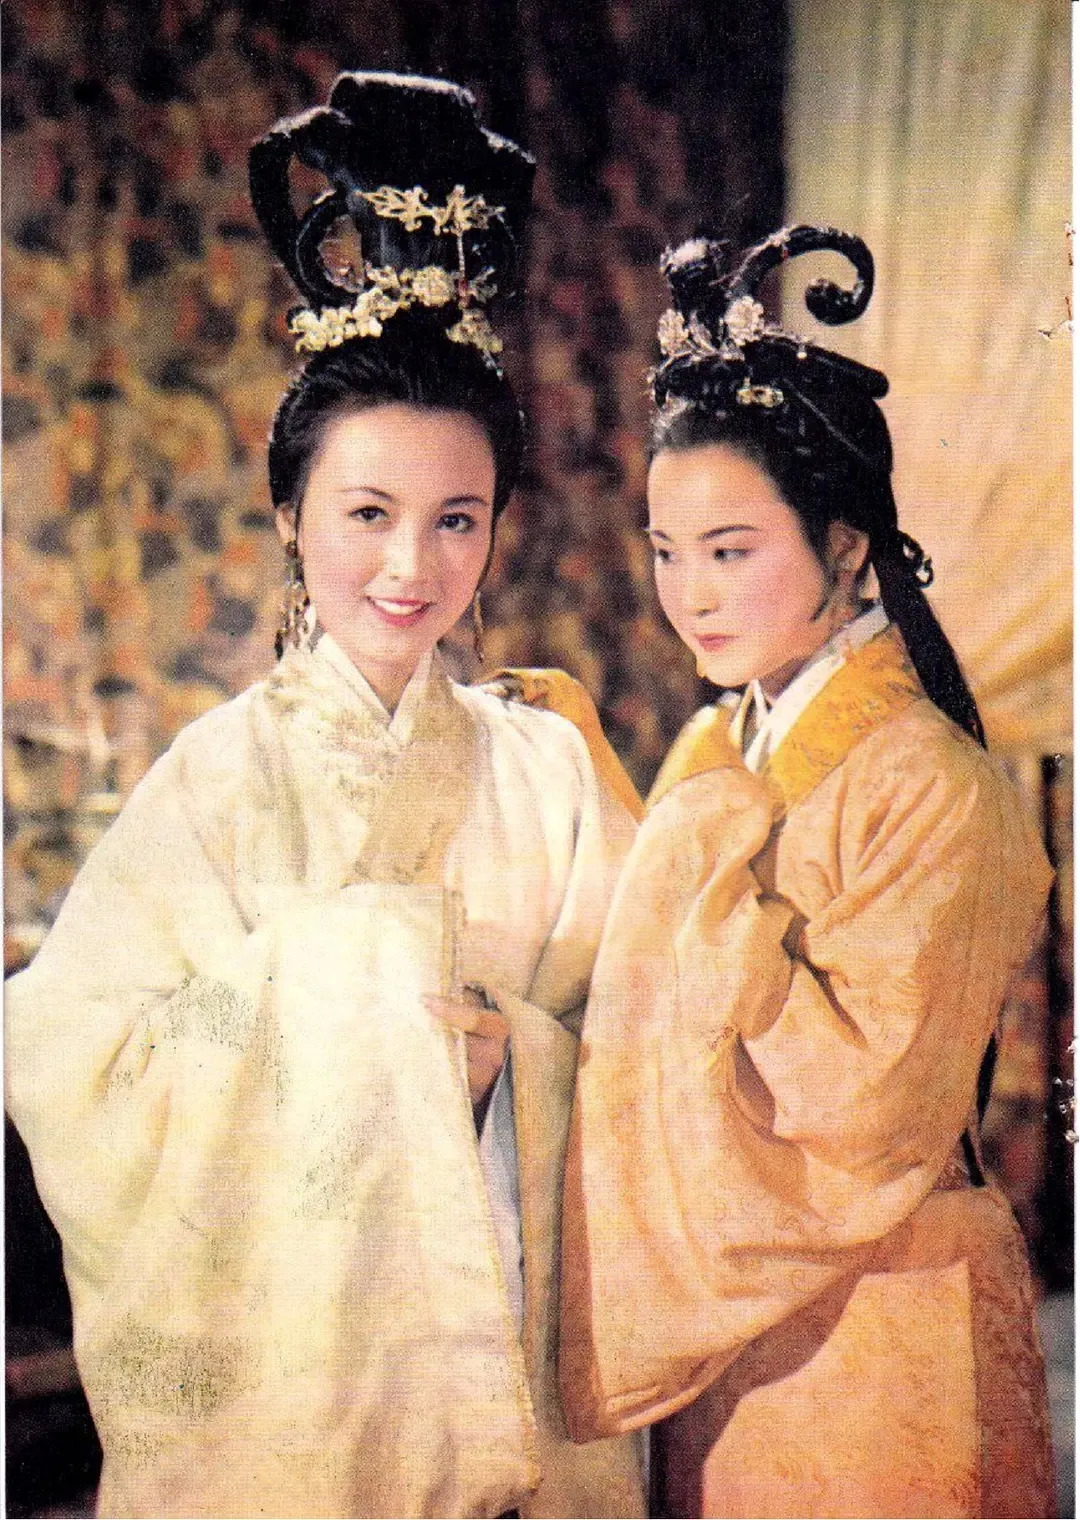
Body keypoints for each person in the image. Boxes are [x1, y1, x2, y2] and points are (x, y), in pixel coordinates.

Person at [5, 72, 645, 1520]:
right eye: (367, 513)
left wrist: (518, 1064)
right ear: (290, 517)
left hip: (516, 1359)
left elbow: (651, 1029)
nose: (412, 566)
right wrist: (359, 1014)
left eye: (457, 519)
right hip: (299, 1396)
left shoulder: (548, 765)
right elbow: (71, 1060)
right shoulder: (218, 780)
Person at [557, 226, 1056, 1518]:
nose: (691, 596)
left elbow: (863, 1109)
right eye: (667, 551)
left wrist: (695, 877)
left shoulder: (934, 785)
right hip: (727, 1322)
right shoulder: (715, 746)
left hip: (887, 1307)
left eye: (731, 549)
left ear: (844, 547)